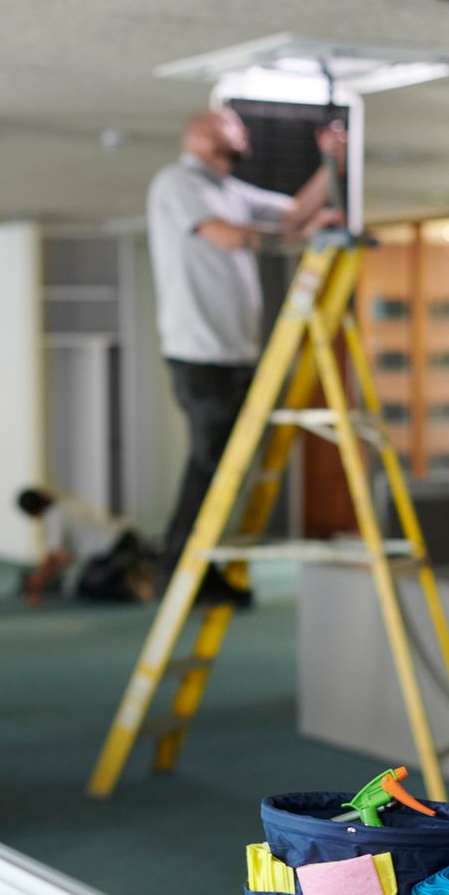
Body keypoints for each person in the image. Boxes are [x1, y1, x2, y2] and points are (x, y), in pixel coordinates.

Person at [146, 107, 346, 606]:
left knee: (227, 468)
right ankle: (179, 571)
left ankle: (199, 568)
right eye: (232, 123)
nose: (243, 129)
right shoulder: (179, 183)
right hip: (200, 353)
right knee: (211, 465)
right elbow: (226, 236)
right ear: (200, 133)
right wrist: (304, 237)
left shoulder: (230, 191)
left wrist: (330, 165)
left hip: (234, 352)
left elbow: (294, 213)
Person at [15, 487, 153, 606]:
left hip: (114, 549)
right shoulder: (69, 502)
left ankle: (133, 585)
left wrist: (36, 582)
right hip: (128, 538)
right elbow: (65, 556)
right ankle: (132, 569)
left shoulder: (55, 516)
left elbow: (55, 557)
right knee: (89, 576)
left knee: (87, 588)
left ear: (32, 512)